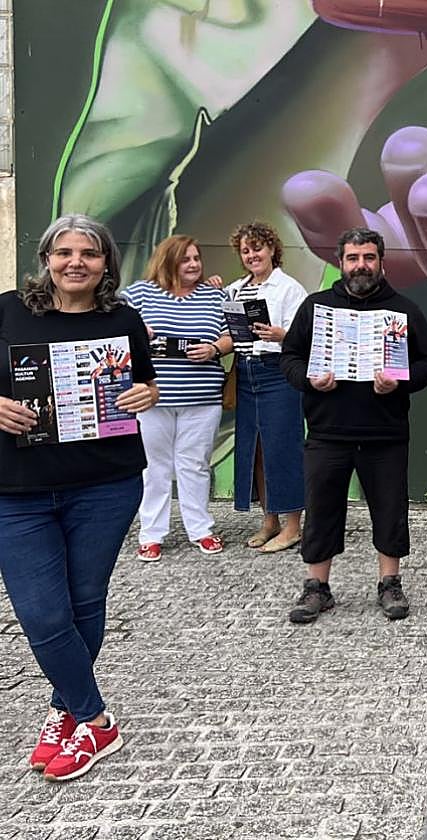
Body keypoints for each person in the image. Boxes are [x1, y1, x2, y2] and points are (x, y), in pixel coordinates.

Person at [0, 215, 159, 781]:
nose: (75, 263)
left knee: (85, 601)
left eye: (89, 254)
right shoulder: (8, 310)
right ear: (46, 258)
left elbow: (145, 384)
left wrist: (146, 393)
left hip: (105, 484)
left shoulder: (123, 319)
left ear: (105, 264)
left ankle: (63, 712)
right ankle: (96, 718)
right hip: (16, 489)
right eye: (63, 252)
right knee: (42, 612)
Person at [280, 227, 427, 623]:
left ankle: (390, 583)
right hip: (326, 432)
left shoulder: (404, 309)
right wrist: (308, 379)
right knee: (321, 511)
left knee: (389, 510)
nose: (361, 266)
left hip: (384, 433)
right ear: (341, 263)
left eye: (368, 258)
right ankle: (317, 587)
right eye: (353, 258)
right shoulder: (316, 308)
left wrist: (400, 380)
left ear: (381, 261)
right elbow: (290, 357)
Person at [122, 235, 233, 561]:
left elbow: (233, 334)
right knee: (154, 467)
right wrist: (138, 332)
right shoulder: (140, 293)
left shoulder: (214, 295)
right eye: (186, 259)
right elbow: (112, 322)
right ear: (167, 260)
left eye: (197, 258)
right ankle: (151, 534)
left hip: (202, 396)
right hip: (152, 397)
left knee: (195, 464)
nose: (194, 264)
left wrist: (214, 348)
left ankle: (200, 528)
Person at [226, 221, 308, 552]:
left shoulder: (290, 289)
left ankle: (293, 527)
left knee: (284, 447)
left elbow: (307, 337)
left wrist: (281, 335)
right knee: (255, 449)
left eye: (257, 248)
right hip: (246, 374)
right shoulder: (234, 289)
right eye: (245, 250)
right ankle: (269, 521)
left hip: (277, 373)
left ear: (272, 249)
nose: (252, 255)